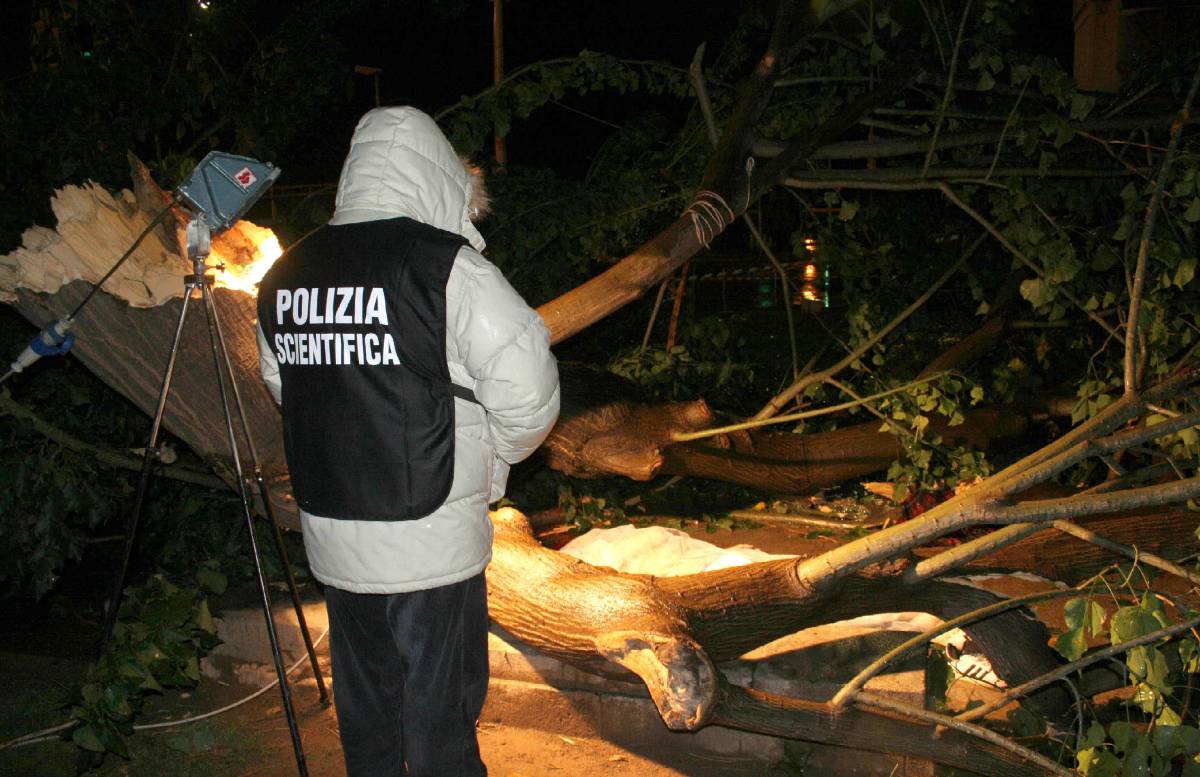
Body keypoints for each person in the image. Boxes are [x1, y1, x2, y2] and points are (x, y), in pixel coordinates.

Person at [255, 106, 560, 777]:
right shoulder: (445, 268)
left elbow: (284, 382)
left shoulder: (285, 274)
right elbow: (530, 392)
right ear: (438, 178)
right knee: (440, 713)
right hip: (430, 539)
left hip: (334, 530)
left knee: (366, 710)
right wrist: (494, 462)